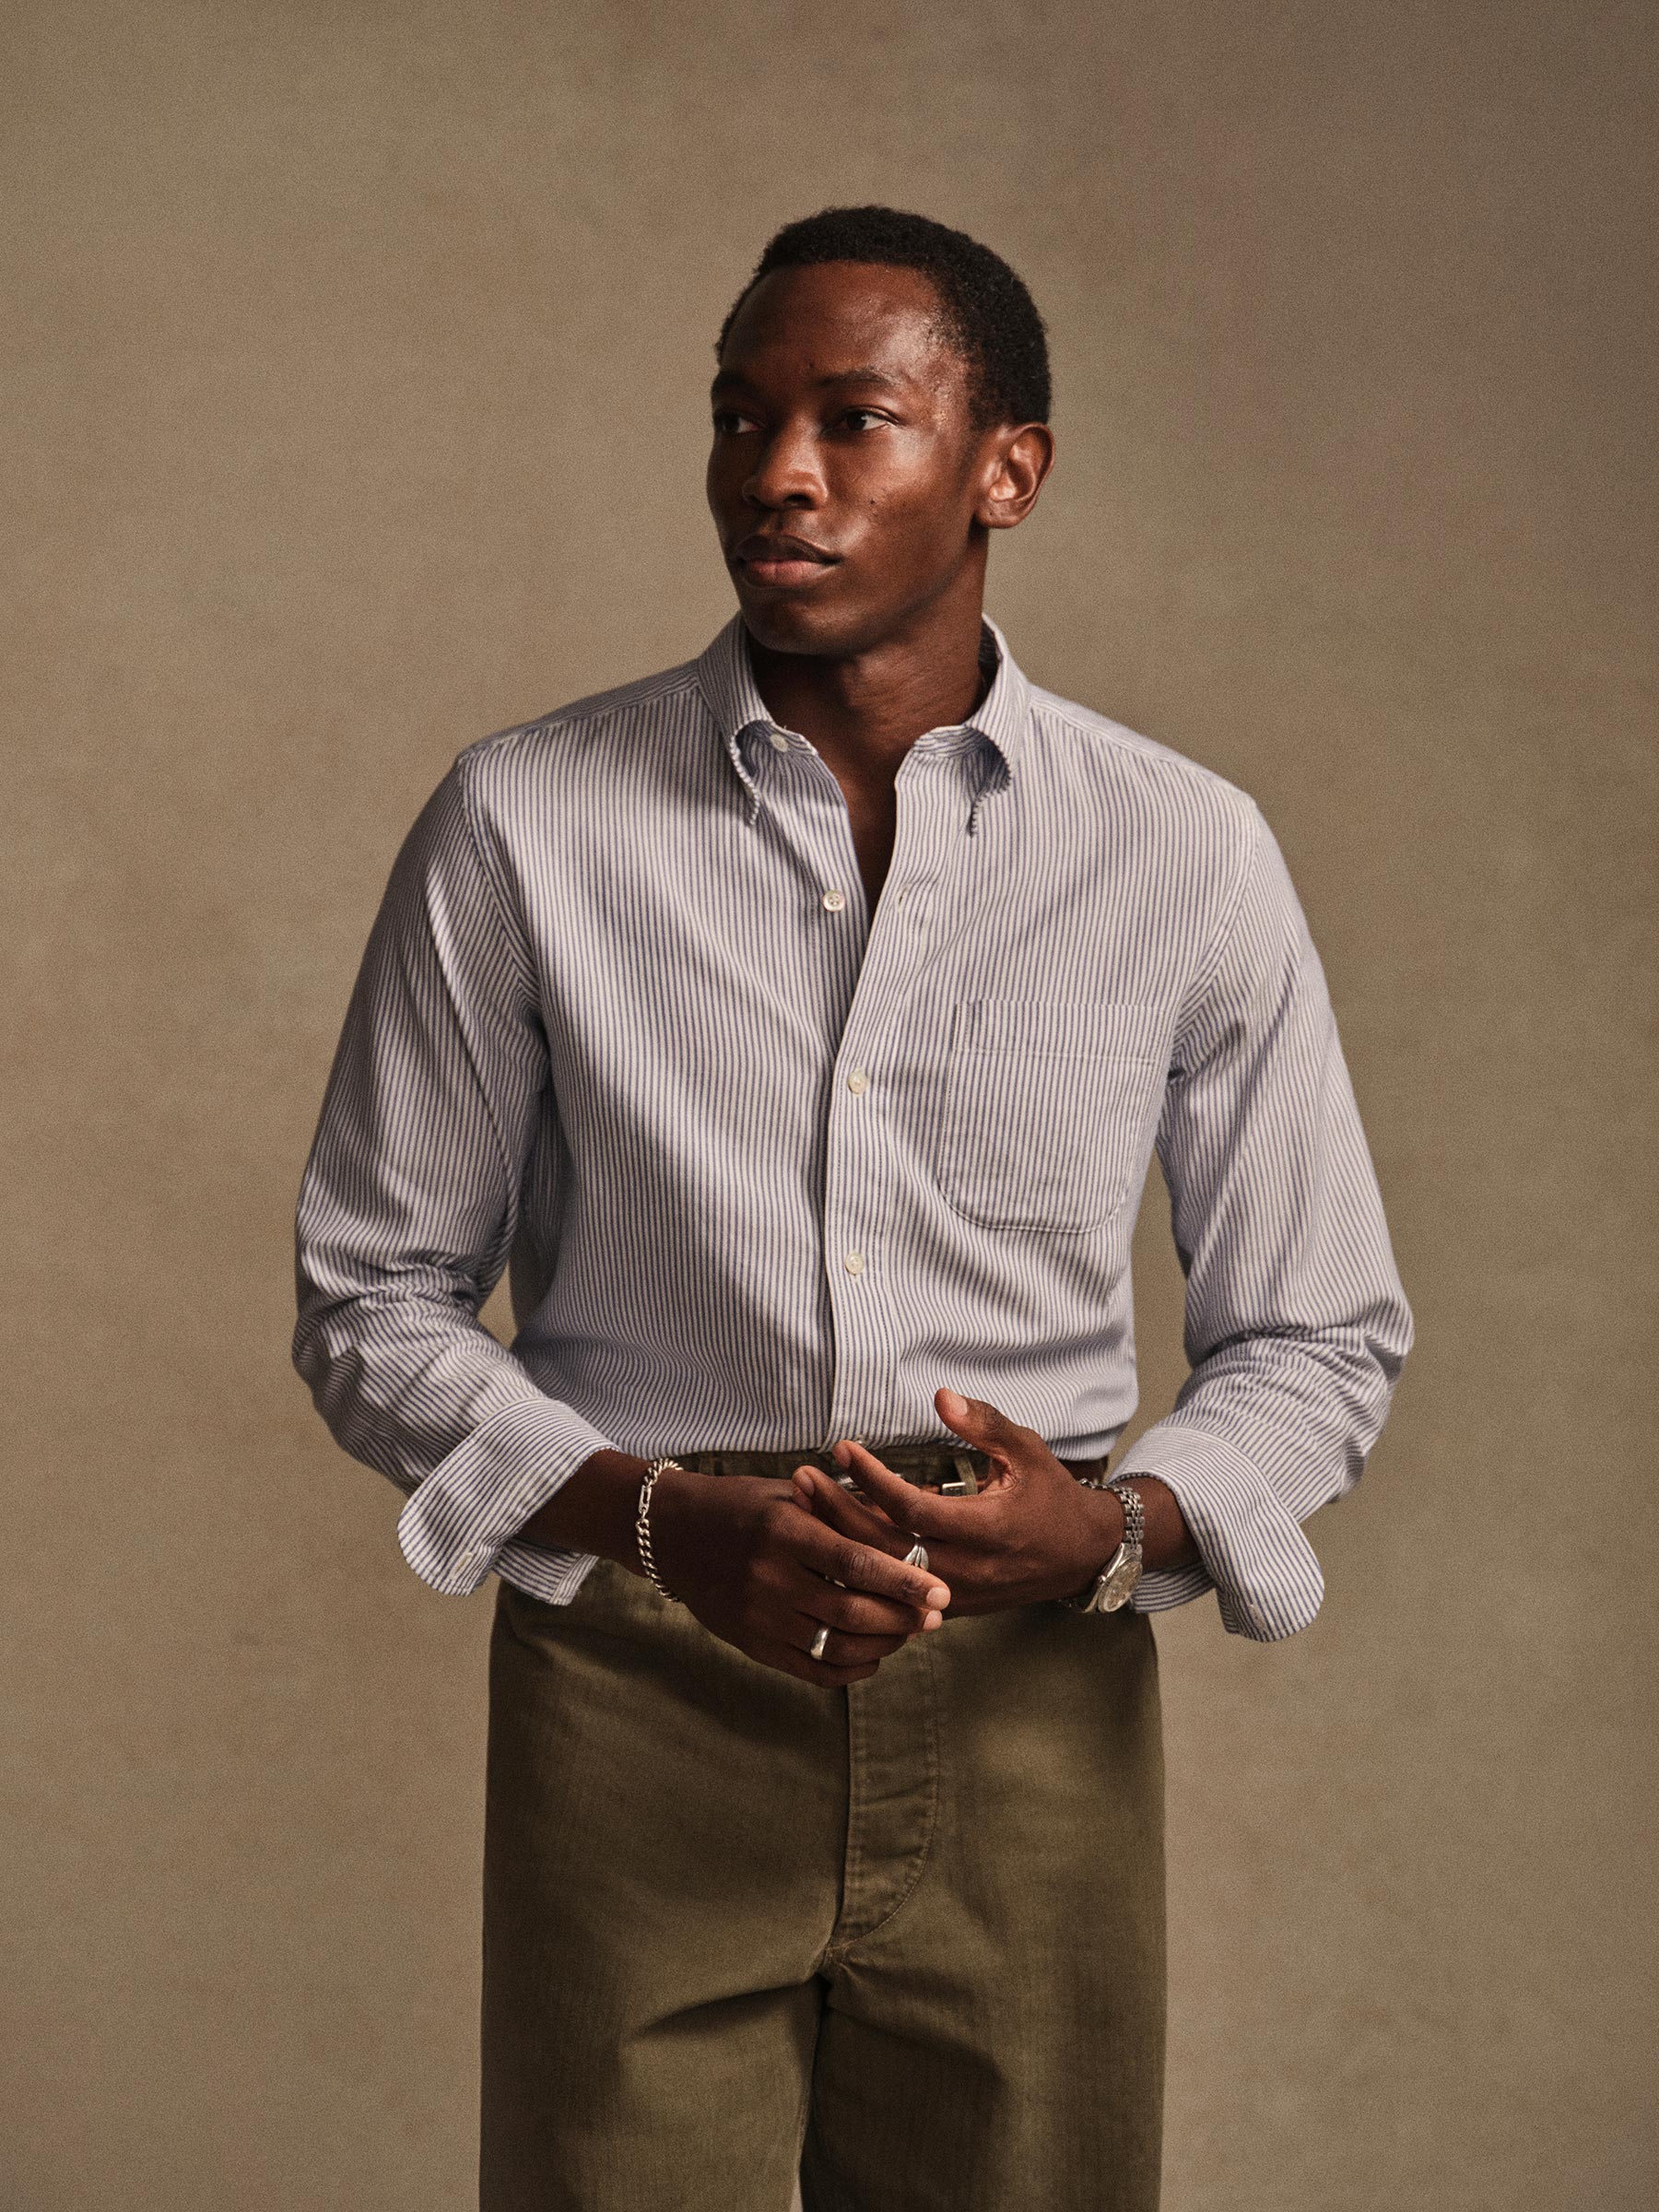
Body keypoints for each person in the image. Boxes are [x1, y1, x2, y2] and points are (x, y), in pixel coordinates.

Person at [293, 205, 1412, 2212]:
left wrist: (1117, 1531)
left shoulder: (1186, 852)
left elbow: (1319, 1330)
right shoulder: (524, 821)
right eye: (740, 417)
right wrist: (657, 1521)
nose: (775, 472)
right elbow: (372, 1290)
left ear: (1008, 471)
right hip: (642, 1672)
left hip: (1033, 1692)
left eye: (850, 418)